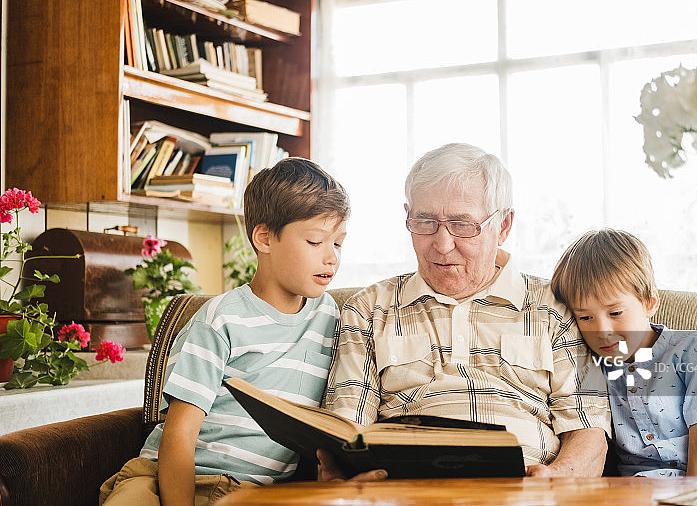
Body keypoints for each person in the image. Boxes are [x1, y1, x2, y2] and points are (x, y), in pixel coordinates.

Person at [320, 143, 611, 479]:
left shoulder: (557, 308)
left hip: (524, 491)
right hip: (403, 490)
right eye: (425, 222)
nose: (442, 245)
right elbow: (344, 428)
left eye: (462, 225)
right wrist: (347, 480)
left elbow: (588, 430)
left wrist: (558, 479)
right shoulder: (368, 309)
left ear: (503, 226)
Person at [100, 158, 357, 505]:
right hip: (164, 475)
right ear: (264, 238)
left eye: (338, 243)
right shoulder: (220, 320)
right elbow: (179, 435)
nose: (331, 258)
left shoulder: (335, 318)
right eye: (315, 242)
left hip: (250, 492)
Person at [550, 228, 697, 477]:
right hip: (644, 487)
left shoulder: (694, 349)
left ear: (650, 303)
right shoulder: (591, 367)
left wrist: (694, 497)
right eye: (585, 317)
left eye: (615, 313)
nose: (602, 331)